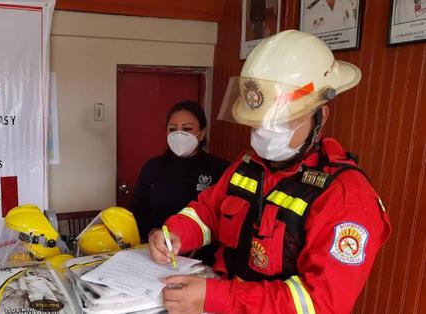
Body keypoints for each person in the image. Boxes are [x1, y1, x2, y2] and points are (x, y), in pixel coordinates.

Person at [148, 30, 391, 313]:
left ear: (320, 115)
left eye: (281, 121)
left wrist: (216, 297)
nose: (264, 133)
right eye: (257, 122)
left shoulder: (347, 197)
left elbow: (321, 303)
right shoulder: (250, 164)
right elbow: (209, 212)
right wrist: (175, 233)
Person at [129, 101, 229, 262]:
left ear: (202, 133)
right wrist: (153, 234)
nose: (179, 134)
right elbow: (137, 212)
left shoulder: (220, 169)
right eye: (173, 129)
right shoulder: (153, 167)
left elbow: (221, 219)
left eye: (187, 129)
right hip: (156, 255)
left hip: (203, 260)